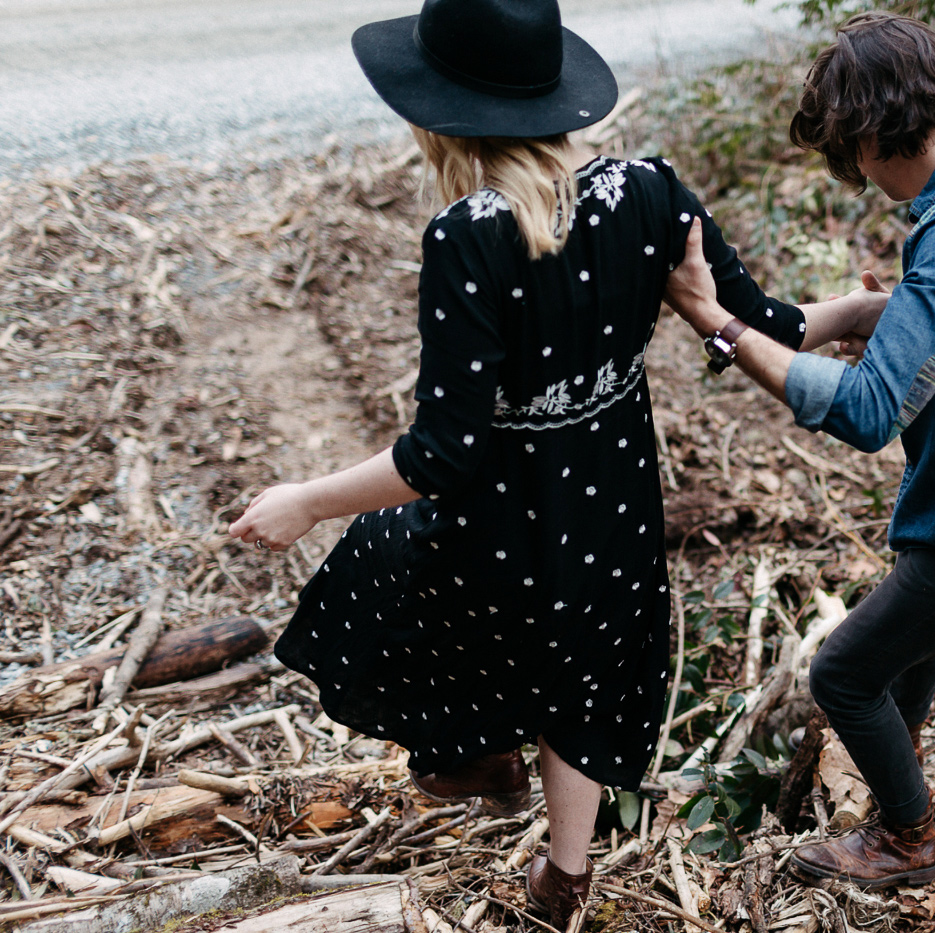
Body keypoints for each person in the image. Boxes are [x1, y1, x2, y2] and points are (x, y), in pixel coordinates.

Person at [227, 0, 888, 924]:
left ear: (440, 111)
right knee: (582, 665)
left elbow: (441, 455)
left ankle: (474, 751)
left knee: (375, 567)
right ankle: (564, 878)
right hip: (612, 510)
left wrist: (307, 499)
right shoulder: (653, 190)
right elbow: (765, 324)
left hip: (500, 525)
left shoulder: (468, 235)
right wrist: (853, 315)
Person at [663, 11, 935, 890]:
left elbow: (865, 413)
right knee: (904, 658)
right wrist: (851, 315)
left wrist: (714, 322)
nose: (857, 173)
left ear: (871, 130)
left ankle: (907, 837)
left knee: (845, 671)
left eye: (851, 152)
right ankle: (900, 785)